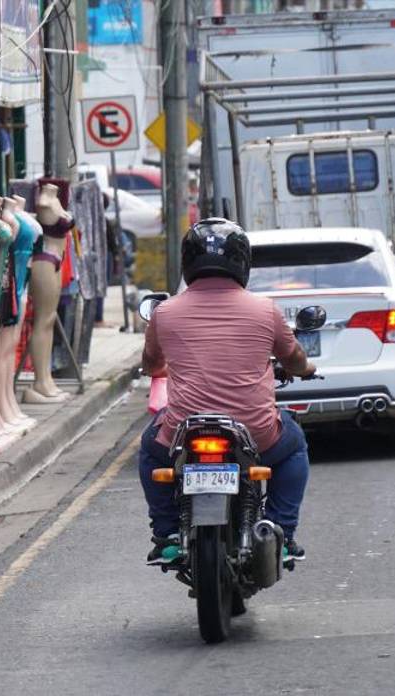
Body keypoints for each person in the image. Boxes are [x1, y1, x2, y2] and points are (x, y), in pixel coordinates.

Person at [138, 218, 314, 566]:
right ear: (242, 262)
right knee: (294, 447)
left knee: (149, 451)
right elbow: (294, 360)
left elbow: (152, 363)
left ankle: (167, 533)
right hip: (256, 432)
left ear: (188, 262)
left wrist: (166, 367)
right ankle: (281, 532)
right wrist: (306, 369)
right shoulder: (266, 310)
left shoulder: (165, 312)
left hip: (185, 430)